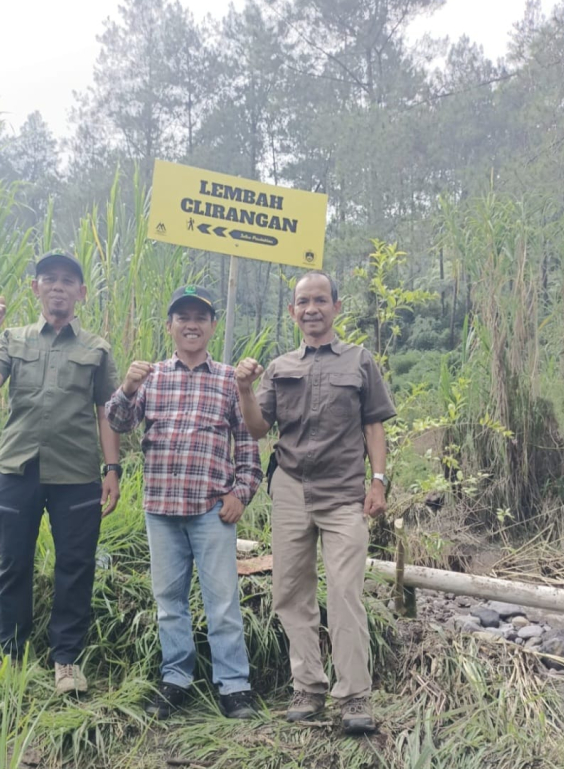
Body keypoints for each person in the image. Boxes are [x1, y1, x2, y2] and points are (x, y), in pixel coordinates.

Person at [235, 271, 396, 735]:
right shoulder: (280, 366)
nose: (312, 309)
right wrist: (244, 389)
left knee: (345, 592)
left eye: (320, 300)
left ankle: (354, 695)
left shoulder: (359, 360)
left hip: (344, 492)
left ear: (336, 307)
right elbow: (257, 429)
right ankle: (307, 687)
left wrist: (379, 482)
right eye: (303, 302)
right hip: (290, 489)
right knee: (290, 592)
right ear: (292, 312)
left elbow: (374, 425)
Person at [105, 285, 262, 720]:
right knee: (169, 603)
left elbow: (249, 446)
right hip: (161, 511)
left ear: (213, 326)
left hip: (212, 511)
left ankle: (235, 686)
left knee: (223, 603)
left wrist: (241, 494)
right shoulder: (151, 376)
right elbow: (117, 421)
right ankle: (175, 679)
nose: (191, 325)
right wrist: (127, 387)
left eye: (200, 318)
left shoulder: (230, 380)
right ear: (170, 326)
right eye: (183, 317)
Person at [0, 250, 121, 695]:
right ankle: (8, 659)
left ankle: (66, 661)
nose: (58, 286)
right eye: (49, 278)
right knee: (13, 565)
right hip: (18, 469)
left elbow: (106, 412)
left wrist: (112, 469)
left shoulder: (96, 348)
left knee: (75, 566)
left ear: (82, 292)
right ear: (35, 288)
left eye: (68, 280)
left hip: (77, 474)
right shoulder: (12, 338)